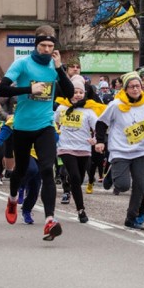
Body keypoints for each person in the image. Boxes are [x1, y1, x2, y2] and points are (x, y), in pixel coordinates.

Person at [0, 25, 74, 241]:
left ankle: (49, 220)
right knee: (20, 170)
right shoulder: (22, 64)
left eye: (50, 46)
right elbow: (0, 90)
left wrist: (59, 69)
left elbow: (69, 94)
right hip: (22, 126)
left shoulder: (54, 67)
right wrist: (28, 89)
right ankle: (12, 200)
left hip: (45, 125)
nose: (47, 50)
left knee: (47, 169)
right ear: (36, 45)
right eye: (43, 46)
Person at [95, 71, 144, 229]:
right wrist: (100, 141)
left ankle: (131, 217)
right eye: (132, 87)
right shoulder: (116, 105)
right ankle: (111, 172)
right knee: (123, 185)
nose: (136, 89)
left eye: (138, 86)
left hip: (140, 151)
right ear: (125, 89)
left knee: (140, 185)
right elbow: (101, 123)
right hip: (120, 150)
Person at [54, 75, 103, 223]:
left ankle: (70, 180)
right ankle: (81, 210)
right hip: (66, 148)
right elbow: (55, 123)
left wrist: (95, 140)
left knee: (80, 178)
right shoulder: (62, 108)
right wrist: (57, 133)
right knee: (75, 177)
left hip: (84, 148)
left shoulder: (88, 111)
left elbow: (98, 128)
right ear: (69, 92)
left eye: (81, 92)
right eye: (75, 91)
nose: (78, 95)